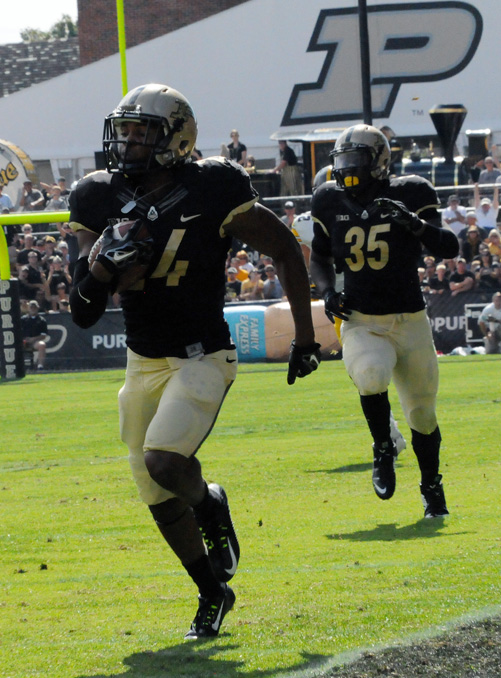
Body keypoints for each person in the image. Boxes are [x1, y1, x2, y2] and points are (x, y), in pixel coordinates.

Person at [67, 84, 320, 640]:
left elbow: (282, 248)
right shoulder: (95, 195)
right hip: (143, 361)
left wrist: (304, 336)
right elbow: (82, 310)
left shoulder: (214, 185)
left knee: (163, 462)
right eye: (124, 130)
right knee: (154, 490)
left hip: (203, 354)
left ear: (177, 138)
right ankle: (212, 592)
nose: (129, 142)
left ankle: (208, 505)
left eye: (143, 132)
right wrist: (103, 268)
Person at [309, 124, 459, 519]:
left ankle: (432, 488)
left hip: (409, 319)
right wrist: (327, 293)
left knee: (422, 415)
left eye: (356, 161)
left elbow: (450, 247)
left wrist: (415, 224)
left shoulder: (411, 192)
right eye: (341, 162)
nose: (347, 170)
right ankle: (383, 446)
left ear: (379, 162)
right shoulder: (327, 199)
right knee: (371, 375)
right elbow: (319, 258)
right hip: (362, 319)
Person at [21, 299, 49, 369]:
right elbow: (17, 332)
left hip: (34, 342)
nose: (33, 309)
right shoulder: (22, 319)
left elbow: (43, 335)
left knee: (42, 345)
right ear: (28, 308)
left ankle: (40, 366)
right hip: (23, 342)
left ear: (37, 308)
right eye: (31, 307)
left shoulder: (42, 320)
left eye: (34, 307)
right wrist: (24, 340)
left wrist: (33, 339)